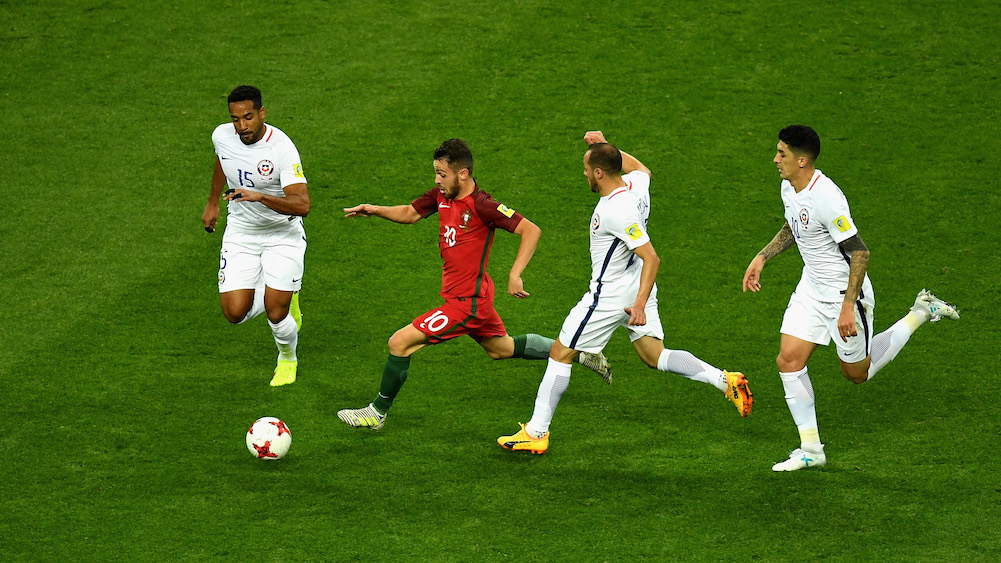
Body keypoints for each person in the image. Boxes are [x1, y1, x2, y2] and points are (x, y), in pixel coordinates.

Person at [497, 131, 753, 455]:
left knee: (560, 353)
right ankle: (725, 380)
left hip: (610, 296)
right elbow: (642, 168)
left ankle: (536, 432)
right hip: (634, 284)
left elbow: (652, 257)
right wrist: (605, 145)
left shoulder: (614, 210)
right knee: (654, 355)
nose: (585, 174)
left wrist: (640, 305)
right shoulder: (636, 185)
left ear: (599, 173)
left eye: (588, 168)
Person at [337, 138, 611, 431]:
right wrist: (375, 209)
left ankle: (376, 413)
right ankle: (581, 352)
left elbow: (531, 230)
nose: (437, 180)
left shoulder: (483, 206)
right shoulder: (441, 196)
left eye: (442, 174)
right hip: (471, 297)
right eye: (436, 173)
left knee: (399, 343)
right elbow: (411, 213)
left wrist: (514, 273)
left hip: (466, 304)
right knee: (501, 348)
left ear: (463, 174)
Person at [742, 124, 960, 471]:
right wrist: (762, 257)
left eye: (781, 154)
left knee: (857, 373)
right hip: (811, 289)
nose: (775, 159)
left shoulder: (827, 197)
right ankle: (811, 450)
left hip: (846, 296)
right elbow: (795, 226)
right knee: (788, 360)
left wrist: (847, 307)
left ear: (802, 160)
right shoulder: (789, 186)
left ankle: (920, 311)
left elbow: (859, 252)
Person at [201, 85, 310, 387]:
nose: (242, 126)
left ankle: (287, 358)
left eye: (248, 118)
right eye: (236, 119)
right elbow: (222, 159)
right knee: (234, 313)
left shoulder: (282, 149)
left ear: (262, 113)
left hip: (282, 234)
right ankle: (281, 292)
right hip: (242, 233)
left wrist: (260, 197)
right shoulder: (223, 136)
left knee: (276, 313)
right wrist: (212, 203)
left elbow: (303, 205)